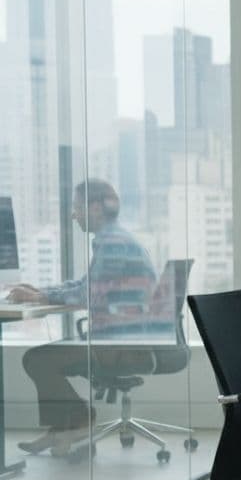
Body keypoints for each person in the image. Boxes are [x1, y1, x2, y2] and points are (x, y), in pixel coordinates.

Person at [8, 179, 160, 456]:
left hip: (122, 346)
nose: (73, 214)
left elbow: (86, 295)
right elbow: (85, 285)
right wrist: (40, 292)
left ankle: (77, 421)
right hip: (127, 340)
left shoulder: (113, 244)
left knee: (37, 359)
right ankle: (63, 430)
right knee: (40, 357)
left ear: (96, 208)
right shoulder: (115, 239)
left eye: (77, 207)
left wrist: (39, 297)